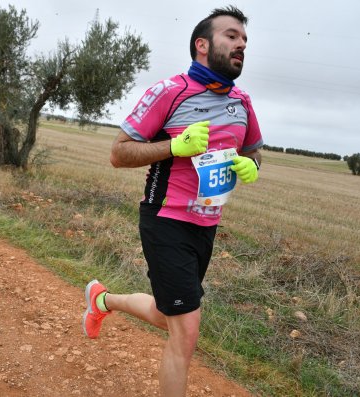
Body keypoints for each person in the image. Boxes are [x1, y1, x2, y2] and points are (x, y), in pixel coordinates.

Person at [81, 5, 263, 397]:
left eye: (244, 40)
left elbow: (254, 152)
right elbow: (119, 153)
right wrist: (174, 146)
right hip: (165, 218)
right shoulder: (170, 91)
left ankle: (103, 300)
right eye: (231, 36)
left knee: (170, 316)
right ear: (202, 44)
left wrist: (252, 167)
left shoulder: (243, 102)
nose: (241, 45)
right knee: (187, 330)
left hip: (207, 225)